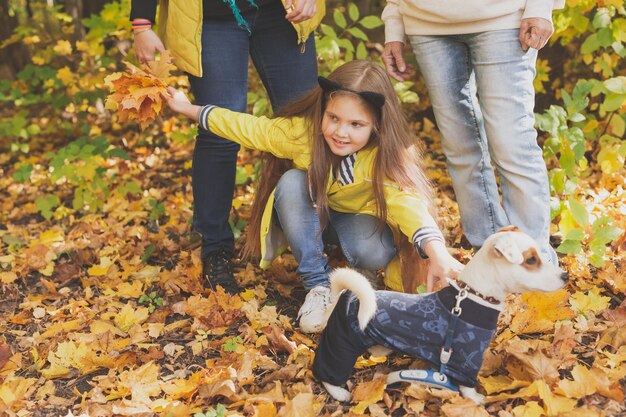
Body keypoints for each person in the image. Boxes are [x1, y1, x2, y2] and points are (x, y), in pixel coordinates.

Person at [162, 60, 464, 333]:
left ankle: (359, 272)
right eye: (333, 118)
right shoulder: (303, 135)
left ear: (376, 126)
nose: (340, 132)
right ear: (323, 110)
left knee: (371, 248)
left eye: (356, 124)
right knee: (293, 182)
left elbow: (407, 204)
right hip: (311, 217)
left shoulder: (385, 157)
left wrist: (436, 251)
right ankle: (318, 286)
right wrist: (189, 108)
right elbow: (250, 128)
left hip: (358, 225)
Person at [130, 0, 324, 295]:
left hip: (283, 11)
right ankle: (215, 249)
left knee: (305, 126)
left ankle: (320, 239)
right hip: (210, 17)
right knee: (217, 135)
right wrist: (141, 23)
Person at [381, 0, 565, 264]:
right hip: (426, 23)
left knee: (511, 143)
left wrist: (539, 8)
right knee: (459, 147)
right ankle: (491, 256)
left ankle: (533, 262)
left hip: (503, 18)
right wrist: (395, 24)